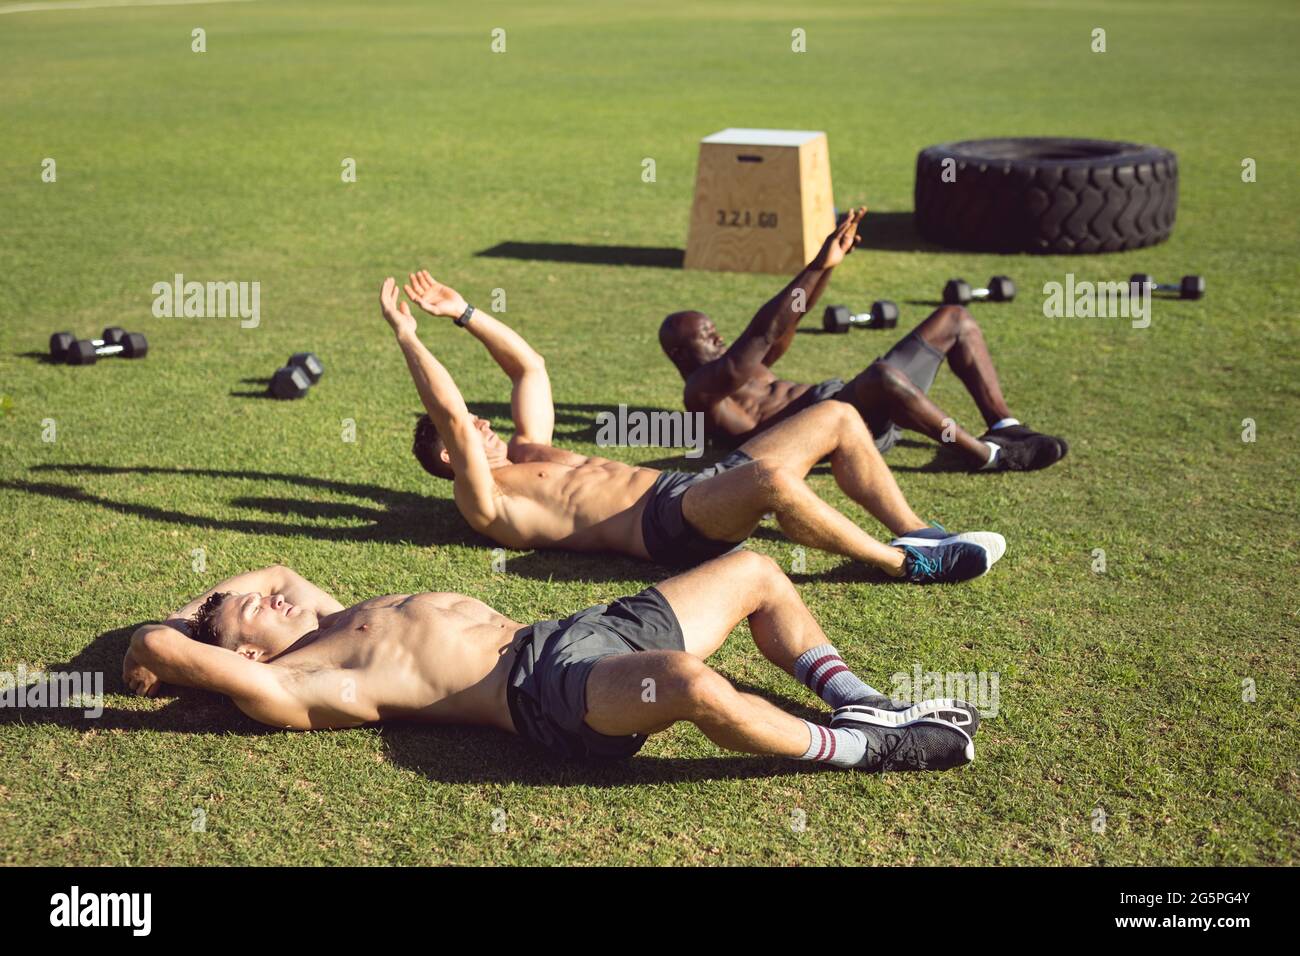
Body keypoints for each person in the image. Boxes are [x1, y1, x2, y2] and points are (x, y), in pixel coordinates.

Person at [382, 272, 1005, 584]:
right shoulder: (485, 501)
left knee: (839, 416)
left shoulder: (527, 447)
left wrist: (462, 312)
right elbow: (451, 417)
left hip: (694, 489)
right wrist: (409, 336)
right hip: (665, 531)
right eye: (464, 427)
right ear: (447, 462)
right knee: (774, 482)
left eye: (475, 418)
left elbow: (529, 366)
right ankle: (901, 564)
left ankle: (919, 533)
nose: (478, 423)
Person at [121, 556, 980, 772]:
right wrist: (180, 626)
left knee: (756, 572)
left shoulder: (331, 611)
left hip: (584, 628)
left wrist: (229, 606)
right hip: (546, 690)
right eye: (245, 612)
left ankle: (864, 704)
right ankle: (871, 750)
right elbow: (156, 649)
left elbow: (271, 571)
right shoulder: (298, 684)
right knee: (687, 686)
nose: (270, 595)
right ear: (236, 653)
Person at [658, 208, 1068, 471]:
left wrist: (830, 264)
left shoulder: (751, 368)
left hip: (858, 403)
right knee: (882, 377)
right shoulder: (702, 395)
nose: (720, 337)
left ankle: (1005, 425)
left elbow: (785, 324)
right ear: (679, 353)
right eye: (707, 336)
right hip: (838, 427)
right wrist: (814, 263)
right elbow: (762, 333)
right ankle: (988, 457)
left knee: (954, 318)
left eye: (715, 330)